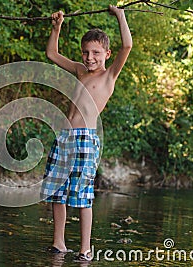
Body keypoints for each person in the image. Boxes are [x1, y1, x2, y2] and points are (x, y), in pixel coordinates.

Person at [41, 5, 132, 261]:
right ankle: (59, 243)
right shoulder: (80, 70)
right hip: (64, 137)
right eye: (85, 52)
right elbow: (52, 53)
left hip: (85, 140)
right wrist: (56, 27)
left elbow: (127, 47)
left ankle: (85, 248)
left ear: (106, 54)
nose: (89, 57)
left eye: (95, 53)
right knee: (57, 191)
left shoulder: (109, 76)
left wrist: (120, 16)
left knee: (82, 195)